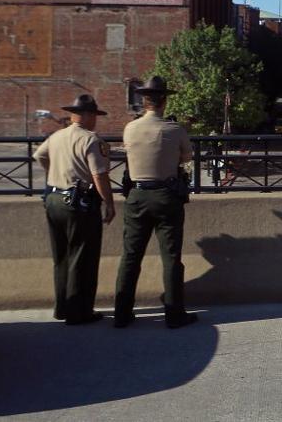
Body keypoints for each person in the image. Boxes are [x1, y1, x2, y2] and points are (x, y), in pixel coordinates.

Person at [113, 76, 198, 329]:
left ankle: (122, 313)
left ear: (144, 101)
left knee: (130, 256)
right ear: (165, 101)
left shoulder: (130, 128)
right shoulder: (174, 130)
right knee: (171, 256)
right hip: (166, 196)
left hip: (137, 196)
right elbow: (186, 157)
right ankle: (174, 314)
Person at [33, 94, 116, 325]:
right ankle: (79, 312)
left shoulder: (57, 136)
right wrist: (108, 202)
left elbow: (39, 155)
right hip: (79, 203)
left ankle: (62, 308)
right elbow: (99, 175)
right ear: (88, 115)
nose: (96, 121)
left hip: (53, 198)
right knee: (83, 257)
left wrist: (54, 173)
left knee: (61, 257)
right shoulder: (91, 140)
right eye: (95, 116)